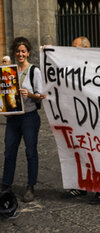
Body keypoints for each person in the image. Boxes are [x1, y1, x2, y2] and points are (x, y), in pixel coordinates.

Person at [60, 36, 100, 205]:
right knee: (78, 151)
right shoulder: (71, 65)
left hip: (95, 118)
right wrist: (49, 52)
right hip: (77, 116)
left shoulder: (97, 66)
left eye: (75, 47)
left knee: (98, 153)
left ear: (86, 48)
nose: (71, 50)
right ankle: (80, 185)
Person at [1, 37, 46, 202]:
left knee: (31, 152)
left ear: (28, 53)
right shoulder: (8, 71)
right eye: (18, 51)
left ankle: (31, 186)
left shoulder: (34, 71)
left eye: (23, 51)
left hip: (29, 117)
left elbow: (41, 96)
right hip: (13, 119)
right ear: (15, 52)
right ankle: (6, 185)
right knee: (9, 152)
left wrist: (30, 94)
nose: (20, 54)